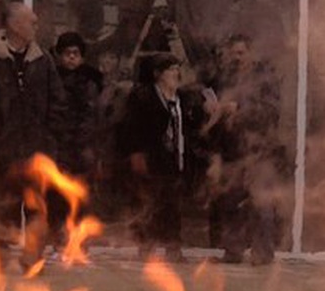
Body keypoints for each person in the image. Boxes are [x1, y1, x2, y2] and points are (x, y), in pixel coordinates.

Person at [0, 3, 64, 262]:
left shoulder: (42, 60)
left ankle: (32, 257)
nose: (35, 26)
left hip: (36, 149)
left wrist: (48, 136)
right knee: (2, 204)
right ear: (13, 25)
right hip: (0, 150)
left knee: (36, 206)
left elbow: (56, 100)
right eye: (30, 22)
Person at [201, 34, 284, 264]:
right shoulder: (225, 78)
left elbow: (271, 111)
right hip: (232, 150)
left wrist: (239, 108)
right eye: (233, 54)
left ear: (250, 52)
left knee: (261, 203)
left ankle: (263, 253)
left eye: (241, 53)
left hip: (259, 151)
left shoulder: (265, 79)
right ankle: (233, 250)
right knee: (230, 201)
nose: (236, 58)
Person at [120, 53, 192, 259]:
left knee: (172, 203)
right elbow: (131, 127)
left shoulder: (180, 97)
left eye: (177, 69)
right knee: (148, 201)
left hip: (175, 157)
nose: (176, 73)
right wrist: (136, 153)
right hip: (151, 156)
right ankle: (146, 246)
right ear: (157, 74)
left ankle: (173, 247)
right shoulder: (143, 96)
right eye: (171, 69)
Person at [51, 31, 103, 236]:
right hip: (59, 145)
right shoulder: (53, 79)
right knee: (57, 194)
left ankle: (77, 237)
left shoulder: (90, 82)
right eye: (66, 53)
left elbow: (93, 116)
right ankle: (57, 235)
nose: (71, 58)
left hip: (82, 148)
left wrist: (87, 143)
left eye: (75, 53)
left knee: (80, 193)